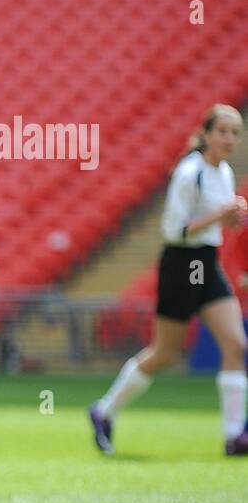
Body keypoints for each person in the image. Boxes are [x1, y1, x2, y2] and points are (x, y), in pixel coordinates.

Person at [90, 104, 248, 455]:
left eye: (235, 133)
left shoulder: (222, 172)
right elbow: (173, 230)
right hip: (182, 262)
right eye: (222, 131)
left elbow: (215, 222)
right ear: (206, 134)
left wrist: (231, 218)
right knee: (165, 352)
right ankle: (103, 411)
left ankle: (234, 435)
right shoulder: (189, 173)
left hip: (206, 262)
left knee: (236, 344)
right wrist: (218, 216)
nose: (229, 139)